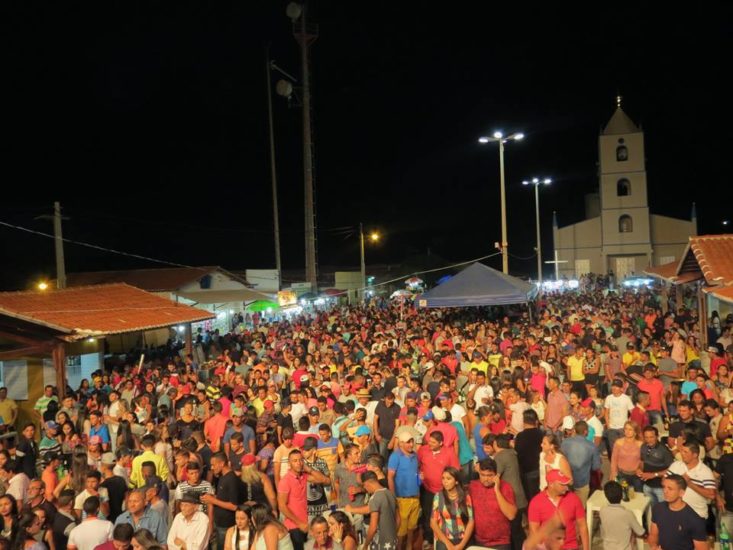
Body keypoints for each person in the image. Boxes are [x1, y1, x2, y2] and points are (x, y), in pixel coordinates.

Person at [277, 449, 329, 550]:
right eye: (295, 461)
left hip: (305, 523)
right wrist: (299, 523)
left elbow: (324, 480)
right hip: (294, 526)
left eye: (300, 460)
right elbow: (282, 506)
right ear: (289, 463)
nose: (298, 463)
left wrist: (309, 469)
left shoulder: (304, 476)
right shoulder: (285, 481)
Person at [528, 469, 589, 550]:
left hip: (571, 546)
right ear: (551, 484)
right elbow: (534, 530)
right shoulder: (536, 502)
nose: (566, 487)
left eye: (566, 484)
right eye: (562, 484)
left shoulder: (574, 499)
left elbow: (583, 525)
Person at [417, 431, 458, 546]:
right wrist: (419, 474)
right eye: (429, 441)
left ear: (441, 443)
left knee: (444, 514)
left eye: (433, 442)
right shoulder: (423, 450)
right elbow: (417, 464)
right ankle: (428, 538)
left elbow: (455, 470)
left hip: (443, 491)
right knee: (427, 514)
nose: (430, 444)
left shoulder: (449, 452)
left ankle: (444, 538)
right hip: (427, 489)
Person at [468, 457, 516, 550]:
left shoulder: (506, 487)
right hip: (479, 542)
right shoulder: (472, 486)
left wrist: (497, 490)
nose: (486, 479)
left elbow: (511, 515)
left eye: (490, 475)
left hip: (502, 542)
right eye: (483, 475)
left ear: (496, 475)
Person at [648, 475, 707, 550]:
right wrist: (654, 547)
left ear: (681, 493)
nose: (665, 491)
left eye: (670, 489)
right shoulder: (658, 509)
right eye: (664, 487)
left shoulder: (695, 520)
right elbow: (653, 535)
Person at [201, 452, 245, 550]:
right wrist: (213, 497)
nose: (212, 468)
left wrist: (213, 500)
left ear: (222, 463)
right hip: (219, 523)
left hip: (226, 525)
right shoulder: (222, 477)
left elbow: (234, 506)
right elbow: (224, 497)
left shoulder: (231, 479)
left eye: (213, 464)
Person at [345, 471, 398, 550]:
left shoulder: (374, 498)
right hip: (393, 541)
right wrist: (392, 535)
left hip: (381, 544)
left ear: (367, 483)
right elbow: (398, 520)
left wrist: (366, 545)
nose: (365, 489)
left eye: (364, 486)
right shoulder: (391, 494)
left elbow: (373, 527)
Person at [667, 440, 716, 519]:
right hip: (675, 513)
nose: (682, 454)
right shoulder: (675, 465)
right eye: (681, 451)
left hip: (697, 515)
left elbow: (711, 495)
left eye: (685, 452)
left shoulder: (705, 471)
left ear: (695, 455)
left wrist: (690, 484)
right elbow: (664, 481)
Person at [387, 432, 420, 550]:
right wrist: (393, 497)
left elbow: (417, 473)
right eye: (408, 442)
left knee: (412, 526)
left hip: (415, 498)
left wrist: (419, 485)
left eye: (412, 441)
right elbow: (390, 477)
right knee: (401, 529)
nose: (411, 444)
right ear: (401, 443)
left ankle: (409, 546)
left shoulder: (415, 456)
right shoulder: (395, 456)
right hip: (402, 499)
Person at [560, 421, 599, 506]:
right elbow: (595, 467)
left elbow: (561, 460)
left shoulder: (565, 442)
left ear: (574, 430)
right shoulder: (592, 446)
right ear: (585, 432)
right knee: (580, 508)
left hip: (567, 480)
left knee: (567, 507)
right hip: (582, 482)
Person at [599, 481, 645, 550]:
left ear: (606, 496)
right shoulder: (628, 514)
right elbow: (640, 532)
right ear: (622, 495)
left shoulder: (602, 511)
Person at [638, 425, 674, 505]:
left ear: (657, 436)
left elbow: (672, 469)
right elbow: (642, 461)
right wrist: (639, 469)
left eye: (651, 437)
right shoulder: (643, 446)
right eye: (646, 437)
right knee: (650, 509)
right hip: (646, 485)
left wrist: (654, 475)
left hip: (660, 488)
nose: (648, 440)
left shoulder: (664, 450)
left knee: (663, 509)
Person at [514, 409, 544, 500]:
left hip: (527, 472)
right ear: (536, 421)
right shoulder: (542, 434)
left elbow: (518, 453)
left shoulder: (520, 436)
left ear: (524, 422)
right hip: (541, 470)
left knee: (531, 499)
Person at [609, 421, 643, 492]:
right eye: (626, 429)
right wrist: (613, 473)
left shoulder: (640, 444)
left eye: (630, 429)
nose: (627, 431)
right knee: (623, 495)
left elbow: (643, 460)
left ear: (635, 432)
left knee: (639, 496)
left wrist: (640, 469)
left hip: (636, 475)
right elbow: (614, 460)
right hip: (621, 475)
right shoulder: (618, 442)